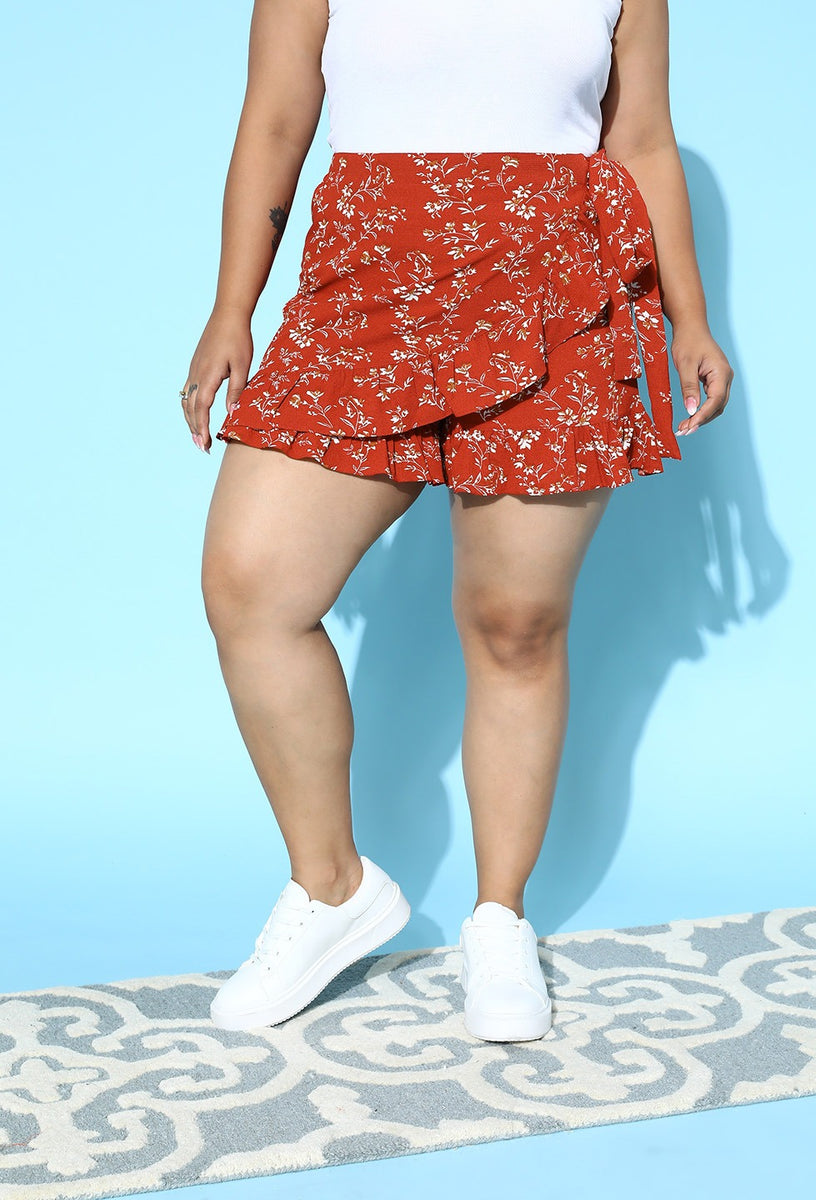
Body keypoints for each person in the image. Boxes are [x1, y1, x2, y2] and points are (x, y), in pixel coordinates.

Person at [179, 0, 733, 1044]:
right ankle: (332, 887)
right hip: (367, 284)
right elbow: (276, 122)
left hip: (556, 289)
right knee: (252, 585)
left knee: (515, 623)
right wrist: (230, 309)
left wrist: (690, 319)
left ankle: (499, 919)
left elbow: (643, 141)